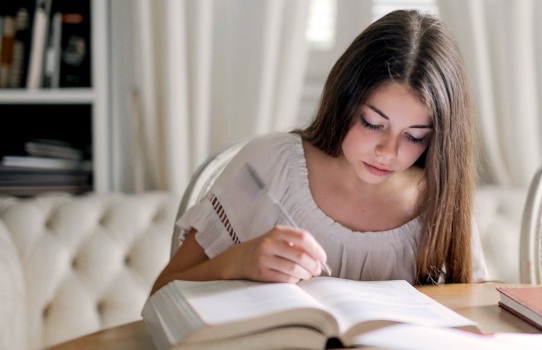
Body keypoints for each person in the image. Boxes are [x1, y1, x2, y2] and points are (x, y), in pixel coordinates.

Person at [150, 9, 488, 295]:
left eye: (415, 136)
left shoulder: (441, 199)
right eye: (372, 123)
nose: (389, 151)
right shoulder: (270, 165)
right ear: (344, 101)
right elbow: (161, 294)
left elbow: (472, 314)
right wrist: (237, 262)